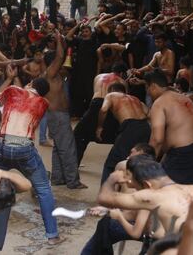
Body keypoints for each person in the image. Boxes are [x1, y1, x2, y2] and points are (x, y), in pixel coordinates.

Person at [0, 76, 64, 245]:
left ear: (29, 84)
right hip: (24, 148)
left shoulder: (13, 90)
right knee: (44, 189)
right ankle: (52, 236)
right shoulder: (43, 103)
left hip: (2, 144)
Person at [97, 155, 193, 255]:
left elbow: (104, 198)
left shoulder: (154, 196)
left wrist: (112, 179)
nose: (138, 193)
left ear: (147, 185)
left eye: (137, 189)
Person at [144, 69, 193, 185]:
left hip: (185, 155)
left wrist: (145, 163)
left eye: (147, 88)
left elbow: (157, 140)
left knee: (162, 189)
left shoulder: (159, 103)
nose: (148, 92)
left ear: (152, 86)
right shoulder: (184, 98)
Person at [44, 30, 86, 189]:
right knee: (68, 148)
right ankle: (73, 182)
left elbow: (62, 59)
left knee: (59, 147)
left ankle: (58, 178)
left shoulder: (54, 75)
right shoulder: (50, 73)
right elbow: (60, 57)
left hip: (57, 115)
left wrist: (61, 40)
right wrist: (58, 39)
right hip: (58, 115)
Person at [73, 62, 126, 168]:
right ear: (121, 73)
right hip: (109, 106)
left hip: (95, 104)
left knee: (79, 135)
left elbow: (95, 93)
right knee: (120, 136)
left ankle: (74, 164)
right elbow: (123, 100)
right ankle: (118, 164)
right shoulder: (121, 81)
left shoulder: (98, 77)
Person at [96, 82, 151, 183]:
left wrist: (99, 127)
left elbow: (103, 109)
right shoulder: (135, 99)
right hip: (145, 127)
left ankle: (105, 195)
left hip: (130, 127)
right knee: (139, 161)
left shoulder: (111, 95)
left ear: (111, 91)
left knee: (112, 163)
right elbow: (149, 114)